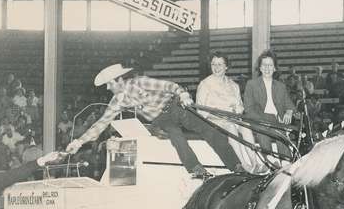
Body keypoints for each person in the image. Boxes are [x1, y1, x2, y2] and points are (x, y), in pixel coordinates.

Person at [65, 63, 232, 178]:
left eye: (109, 84)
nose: (108, 88)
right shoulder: (117, 101)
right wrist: (79, 142)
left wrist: (183, 94)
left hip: (175, 107)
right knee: (176, 136)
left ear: (118, 80)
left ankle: (236, 166)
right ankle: (197, 170)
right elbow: (100, 124)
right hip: (161, 119)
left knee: (209, 129)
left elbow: (169, 86)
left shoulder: (141, 82)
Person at [195, 52, 255, 170]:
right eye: (213, 64)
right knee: (231, 127)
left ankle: (255, 162)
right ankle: (244, 164)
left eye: (220, 64)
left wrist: (238, 109)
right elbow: (200, 111)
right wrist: (216, 111)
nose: (216, 68)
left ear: (226, 66)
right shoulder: (205, 84)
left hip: (232, 118)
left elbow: (240, 106)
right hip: (214, 121)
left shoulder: (233, 85)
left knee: (246, 126)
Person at [243, 52, 296, 160]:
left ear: (275, 68)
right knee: (263, 132)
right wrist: (262, 120)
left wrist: (289, 112)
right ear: (260, 68)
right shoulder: (251, 84)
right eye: (264, 65)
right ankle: (269, 160)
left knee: (281, 135)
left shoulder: (281, 86)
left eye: (270, 65)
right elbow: (248, 108)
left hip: (276, 120)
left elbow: (289, 104)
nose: (267, 68)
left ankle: (286, 162)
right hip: (259, 119)